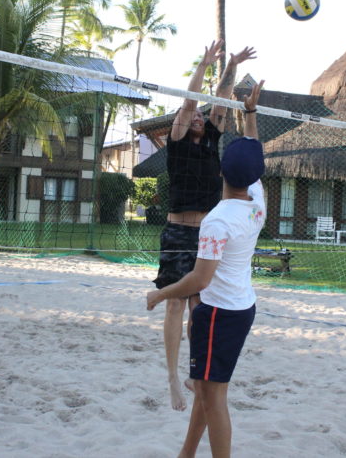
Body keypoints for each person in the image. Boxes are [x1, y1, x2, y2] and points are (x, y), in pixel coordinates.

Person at [147, 80, 266, 458]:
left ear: (220, 174)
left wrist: (160, 293)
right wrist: (250, 112)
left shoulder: (217, 221)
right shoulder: (256, 200)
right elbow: (252, 151)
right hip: (242, 307)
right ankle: (186, 453)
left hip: (218, 315)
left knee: (214, 398)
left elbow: (200, 279)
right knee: (204, 386)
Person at [156, 40, 256, 411]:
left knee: (201, 306)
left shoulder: (212, 137)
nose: (199, 117)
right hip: (179, 231)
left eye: (201, 116)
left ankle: (194, 373)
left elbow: (224, 95)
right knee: (175, 306)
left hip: (206, 233)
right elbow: (189, 101)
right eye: (194, 116)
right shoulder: (178, 140)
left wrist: (230, 64)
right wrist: (203, 62)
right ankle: (171, 379)